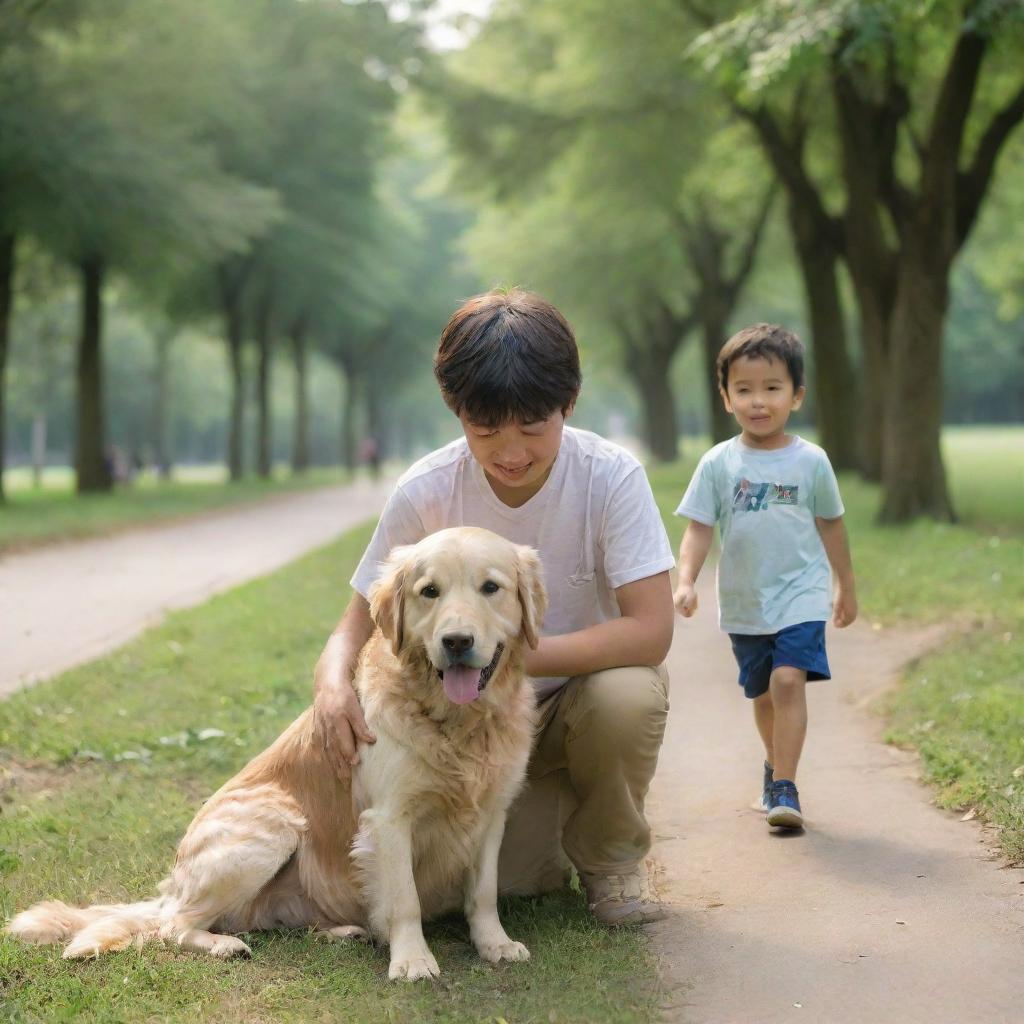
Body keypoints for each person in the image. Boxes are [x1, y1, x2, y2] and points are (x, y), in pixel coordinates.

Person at [313, 288, 676, 925]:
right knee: (506, 887)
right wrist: (329, 684)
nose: (510, 452)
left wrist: (505, 661)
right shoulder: (427, 488)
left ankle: (612, 862)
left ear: (569, 403)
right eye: (485, 430)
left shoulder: (611, 477)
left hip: (571, 703)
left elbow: (651, 630)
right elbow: (360, 618)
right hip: (469, 723)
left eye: (533, 428)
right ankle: (546, 812)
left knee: (629, 694)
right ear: (457, 412)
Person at [672, 323, 857, 829]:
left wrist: (845, 585)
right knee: (762, 695)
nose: (758, 401)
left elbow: (832, 525)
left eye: (772, 388)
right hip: (745, 602)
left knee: (788, 680)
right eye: (744, 389)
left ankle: (787, 789)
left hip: (801, 595)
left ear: (796, 396)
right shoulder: (718, 463)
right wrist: (685, 579)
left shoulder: (811, 461)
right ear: (726, 397)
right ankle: (774, 767)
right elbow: (699, 530)